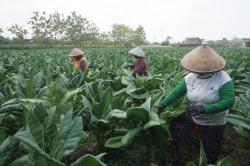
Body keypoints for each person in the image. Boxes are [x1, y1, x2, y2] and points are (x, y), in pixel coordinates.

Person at [158, 45, 235, 165]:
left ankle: (208, 162)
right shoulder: (190, 77)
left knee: (210, 149)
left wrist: (205, 108)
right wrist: (161, 106)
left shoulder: (223, 79)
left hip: (214, 121)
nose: (198, 70)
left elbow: (229, 101)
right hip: (194, 114)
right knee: (176, 125)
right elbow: (175, 93)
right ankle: (176, 152)